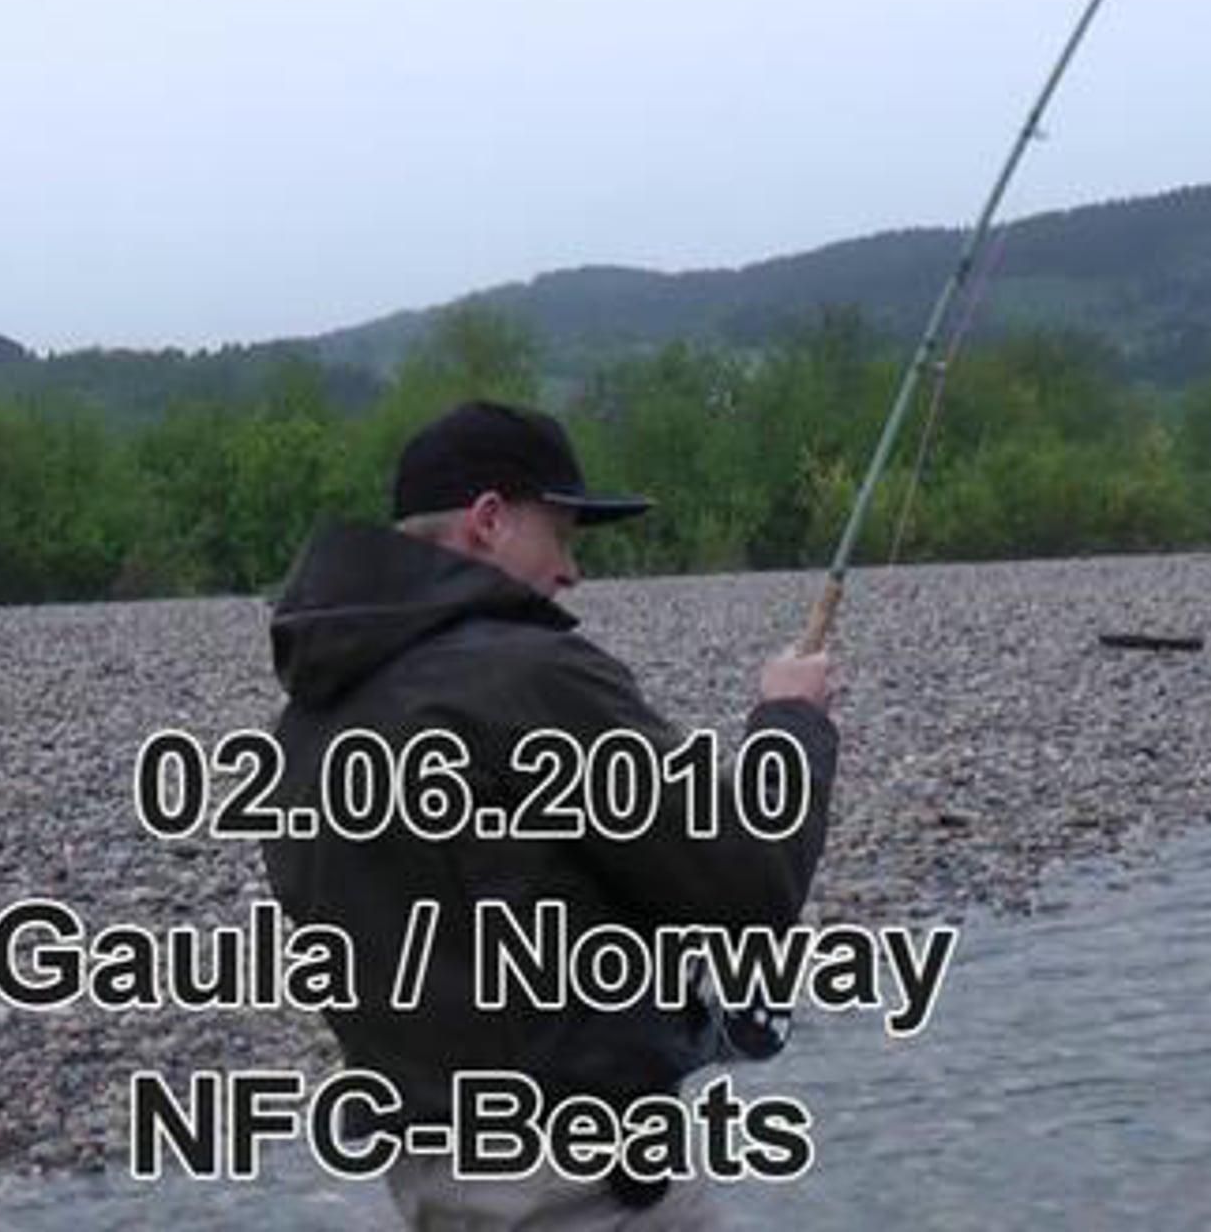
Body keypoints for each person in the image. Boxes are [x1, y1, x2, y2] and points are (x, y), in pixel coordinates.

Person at [260, 400, 838, 1228]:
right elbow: (753, 880)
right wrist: (791, 719)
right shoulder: (527, 678)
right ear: (490, 520)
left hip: (433, 1182)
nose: (571, 571)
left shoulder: (306, 723)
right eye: (560, 535)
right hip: (579, 1187)